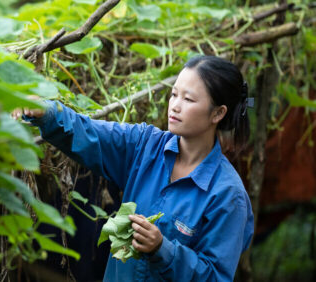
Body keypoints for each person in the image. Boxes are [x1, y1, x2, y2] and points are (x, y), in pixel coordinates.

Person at [13, 55, 254, 281]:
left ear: (218, 113)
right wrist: (46, 112)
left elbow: (216, 276)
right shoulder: (144, 146)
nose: (175, 106)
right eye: (173, 95)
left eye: (188, 99)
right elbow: (90, 134)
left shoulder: (227, 195)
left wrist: (163, 249)